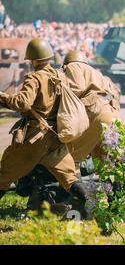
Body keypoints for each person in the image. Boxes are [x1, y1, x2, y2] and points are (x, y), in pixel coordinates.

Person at [0, 39, 90, 219]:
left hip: (34, 139)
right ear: (48, 56)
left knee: (4, 174)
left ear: (32, 59)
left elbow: (22, 103)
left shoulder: (34, 78)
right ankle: (87, 214)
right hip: (55, 138)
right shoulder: (59, 76)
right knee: (70, 179)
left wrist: (2, 97)